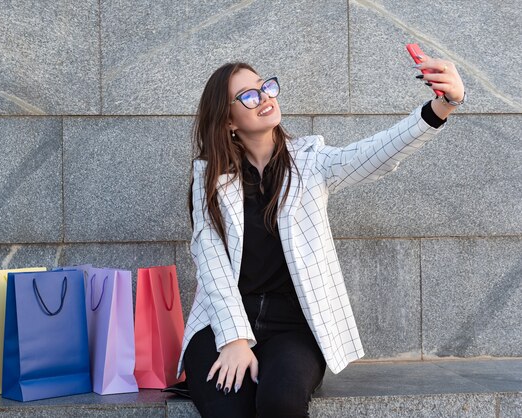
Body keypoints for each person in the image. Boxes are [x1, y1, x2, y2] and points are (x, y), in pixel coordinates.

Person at [175, 56, 465, 417]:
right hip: (223, 322)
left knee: (280, 402)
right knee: (228, 410)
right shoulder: (210, 178)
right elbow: (211, 262)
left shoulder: (310, 161)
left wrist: (442, 106)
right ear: (228, 120)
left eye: (266, 87)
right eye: (248, 96)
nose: (265, 97)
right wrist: (234, 340)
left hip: (294, 328)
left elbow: (375, 154)